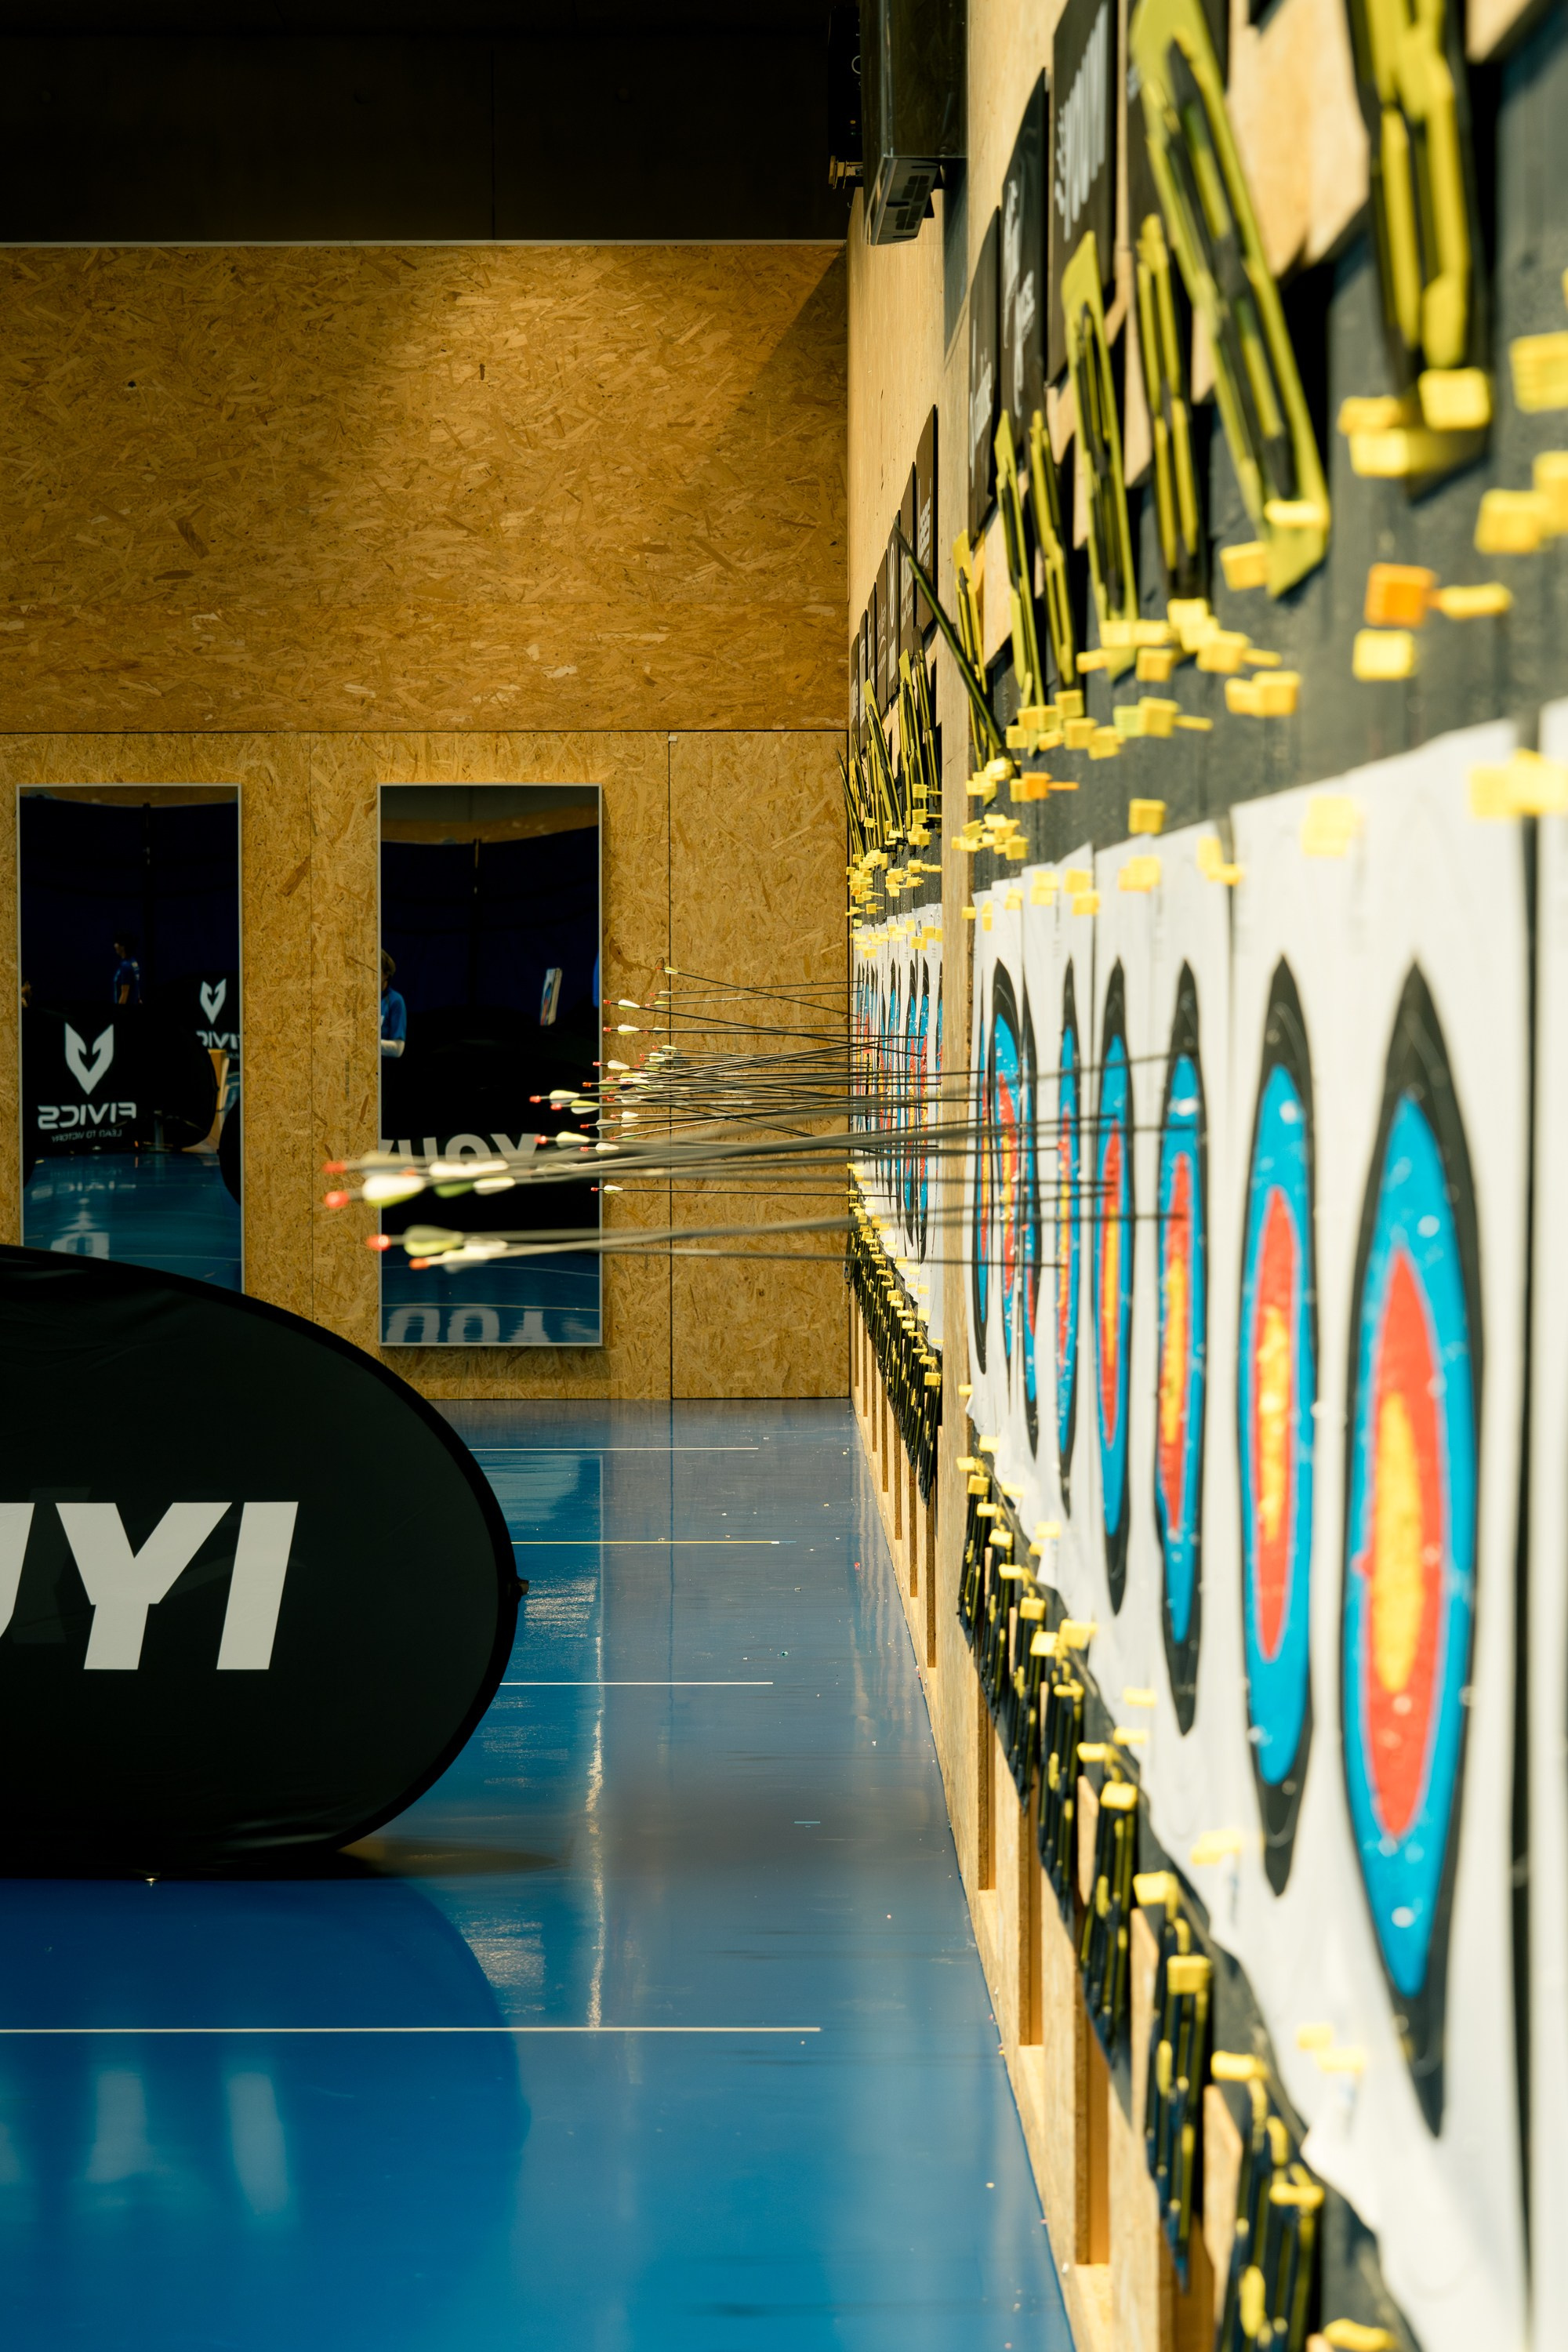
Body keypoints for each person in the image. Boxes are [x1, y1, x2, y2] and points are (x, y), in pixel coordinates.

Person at [380, 950, 407, 1059]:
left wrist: (369, 1043)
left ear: (386, 974)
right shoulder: (361, 1000)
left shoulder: (395, 1000)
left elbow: (398, 1049)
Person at [112, 935, 140, 1005]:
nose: (115, 945)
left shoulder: (126, 966)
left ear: (123, 946)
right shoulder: (133, 962)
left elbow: (124, 994)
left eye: (117, 943)